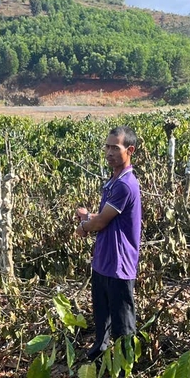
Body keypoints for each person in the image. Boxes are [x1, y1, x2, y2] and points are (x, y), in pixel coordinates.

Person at [75, 125, 142, 362]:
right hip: (104, 260)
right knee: (102, 316)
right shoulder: (113, 181)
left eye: (116, 147)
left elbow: (102, 222)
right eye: (108, 146)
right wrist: (87, 217)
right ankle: (99, 357)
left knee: (123, 323)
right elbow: (104, 218)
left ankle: (127, 370)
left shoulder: (125, 184)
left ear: (129, 150)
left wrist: (84, 227)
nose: (110, 152)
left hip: (119, 263)